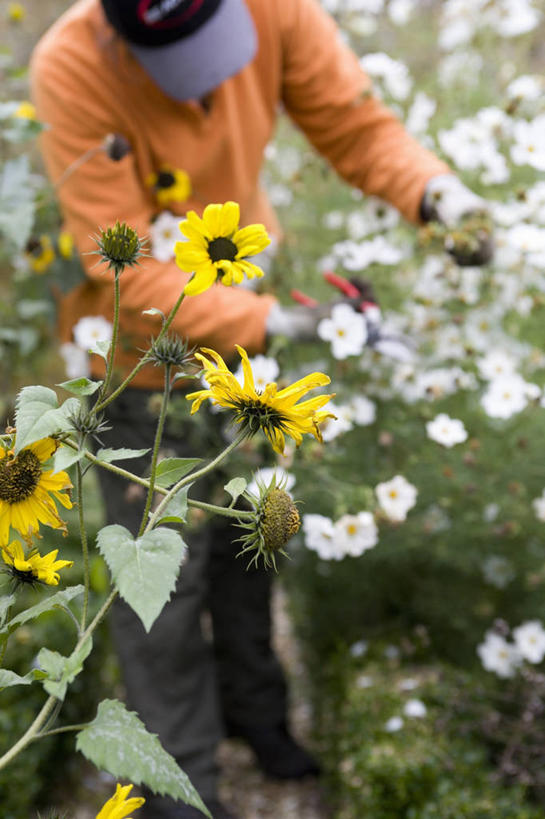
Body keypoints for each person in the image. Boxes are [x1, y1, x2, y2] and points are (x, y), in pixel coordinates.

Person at [30, 2, 492, 817]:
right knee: (158, 591)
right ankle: (180, 784)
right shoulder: (72, 64)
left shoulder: (279, 10)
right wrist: (276, 317)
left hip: (242, 347)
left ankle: (258, 715)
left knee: (254, 543)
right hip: (142, 364)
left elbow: (354, 125)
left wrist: (439, 196)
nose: (203, 82)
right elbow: (126, 269)